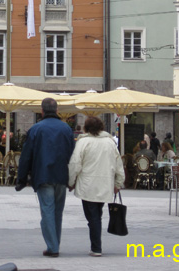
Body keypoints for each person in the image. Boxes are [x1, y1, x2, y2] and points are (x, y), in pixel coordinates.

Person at [16, 98, 75, 258]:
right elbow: (73, 155)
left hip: (43, 175)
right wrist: (73, 178)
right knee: (58, 212)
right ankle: (55, 243)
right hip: (62, 175)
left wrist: (21, 179)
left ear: (42, 111)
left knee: (47, 210)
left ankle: (52, 246)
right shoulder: (66, 129)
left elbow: (26, 156)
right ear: (57, 111)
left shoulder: (36, 129)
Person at [67, 116, 124, 257]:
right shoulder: (110, 143)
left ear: (86, 127)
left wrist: (71, 181)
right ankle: (95, 244)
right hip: (105, 184)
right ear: (101, 127)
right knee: (96, 214)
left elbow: (75, 164)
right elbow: (118, 165)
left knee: (92, 216)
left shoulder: (83, 142)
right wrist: (118, 183)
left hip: (87, 185)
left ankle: (96, 247)